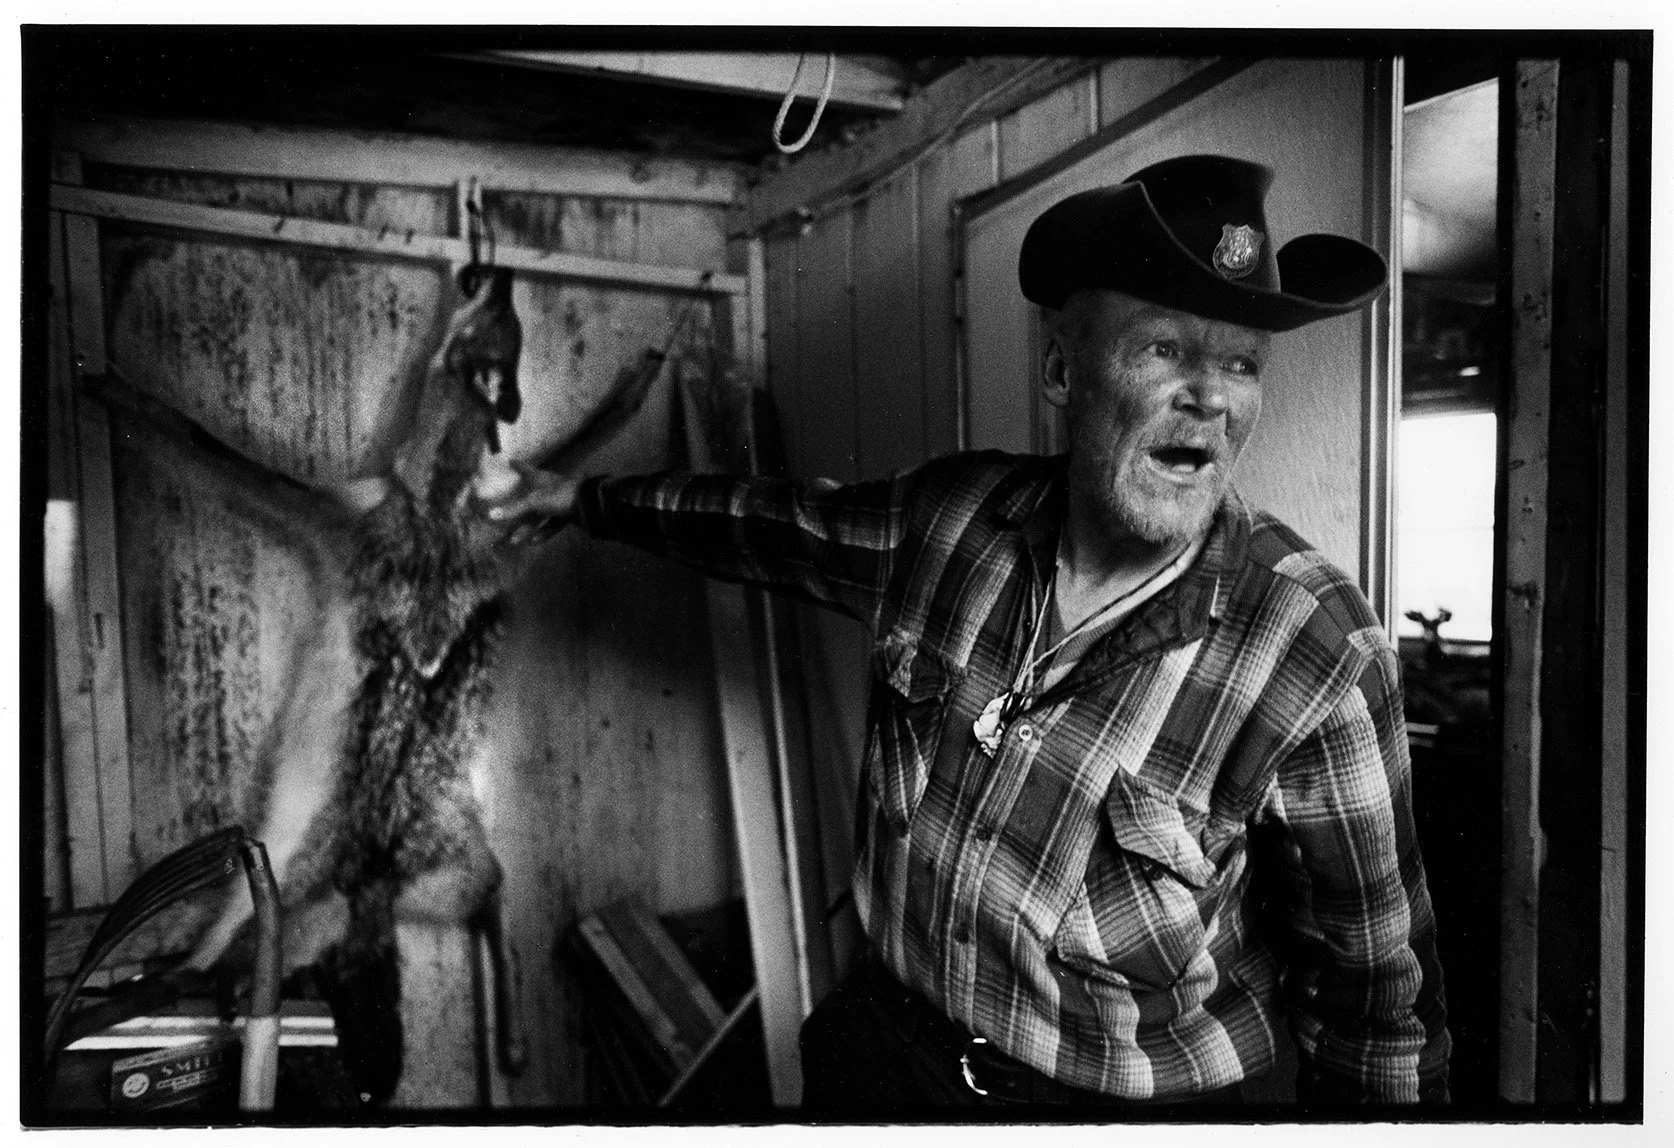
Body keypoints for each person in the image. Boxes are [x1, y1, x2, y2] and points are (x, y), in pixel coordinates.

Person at [485, 154, 1450, 1113]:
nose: (1212, 395)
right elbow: (765, 526)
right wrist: (578, 498)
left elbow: (1380, 1010)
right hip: (886, 1064)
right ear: (1063, 370)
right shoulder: (951, 522)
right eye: (1163, 349)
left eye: (1241, 362)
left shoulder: (1316, 648)